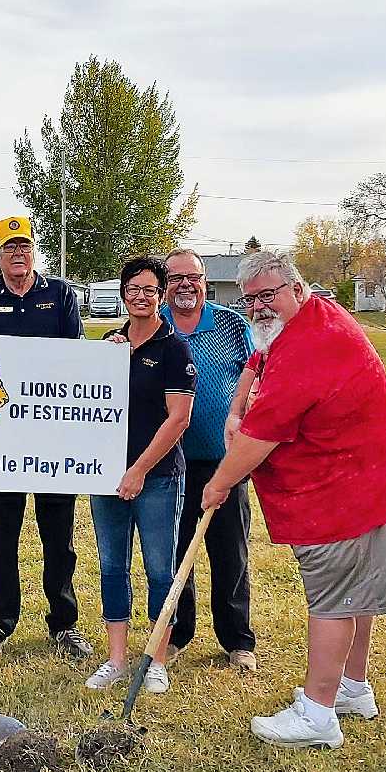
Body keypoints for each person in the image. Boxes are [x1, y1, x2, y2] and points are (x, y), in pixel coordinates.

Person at [202, 250, 386, 749]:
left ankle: (318, 715)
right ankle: (352, 687)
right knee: (356, 592)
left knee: (333, 600)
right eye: (250, 298)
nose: (259, 306)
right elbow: (256, 362)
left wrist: (218, 484)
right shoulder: (308, 319)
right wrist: (235, 406)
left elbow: (259, 439)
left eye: (269, 295)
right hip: (375, 480)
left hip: (346, 490)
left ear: (297, 288)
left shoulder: (311, 346)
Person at [0, 215, 92, 662]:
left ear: (35, 251)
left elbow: (76, 359)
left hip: (52, 440)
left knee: (59, 537)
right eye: (9, 247)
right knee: (2, 537)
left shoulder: (60, 295)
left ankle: (64, 622)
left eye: (25, 246)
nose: (18, 254)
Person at [85, 257, 195, 695]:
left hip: (158, 477)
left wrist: (139, 470)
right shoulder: (110, 346)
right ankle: (115, 659)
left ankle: (156, 660)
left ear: (162, 295)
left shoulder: (173, 349)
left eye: (150, 289)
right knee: (113, 566)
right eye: (133, 288)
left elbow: (179, 419)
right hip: (106, 477)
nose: (141, 297)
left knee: (159, 569)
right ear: (123, 293)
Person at [160, 248, 258, 671]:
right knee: (176, 551)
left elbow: (259, 372)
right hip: (170, 462)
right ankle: (178, 633)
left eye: (193, 277)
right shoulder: (151, 324)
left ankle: (238, 640)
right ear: (165, 285)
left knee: (230, 551)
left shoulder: (233, 325)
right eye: (176, 277)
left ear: (204, 281)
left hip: (224, 460)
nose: (186, 284)